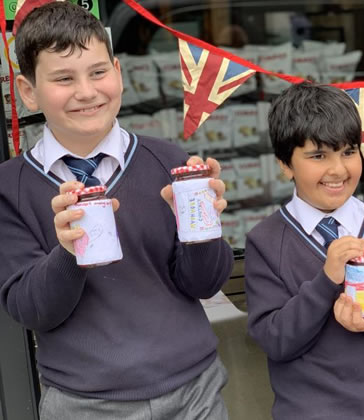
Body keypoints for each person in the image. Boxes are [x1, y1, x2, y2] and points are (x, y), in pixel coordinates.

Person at [0, 3, 233, 419]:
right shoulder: (11, 187)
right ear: (28, 90)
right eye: (63, 79)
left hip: (194, 390)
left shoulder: (167, 162)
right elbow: (32, 310)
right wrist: (68, 251)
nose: (87, 92)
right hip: (85, 404)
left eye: (98, 72)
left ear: (119, 73)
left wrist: (203, 229)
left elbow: (206, 282)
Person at [244, 82, 364, 420]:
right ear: (285, 165)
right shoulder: (265, 241)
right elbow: (275, 340)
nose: (338, 169)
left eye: (349, 151)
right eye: (318, 156)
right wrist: (326, 280)